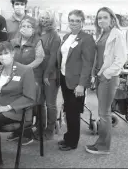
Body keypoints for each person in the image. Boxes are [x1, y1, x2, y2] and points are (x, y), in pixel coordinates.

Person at [85, 7, 127, 155]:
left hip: (109, 78)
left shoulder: (117, 35)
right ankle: (101, 142)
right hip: (100, 77)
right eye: (99, 18)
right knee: (102, 112)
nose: (101, 20)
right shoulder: (103, 34)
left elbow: (121, 59)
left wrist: (106, 74)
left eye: (105, 17)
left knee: (104, 113)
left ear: (112, 19)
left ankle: (103, 147)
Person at [57, 10, 96, 151]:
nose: (73, 23)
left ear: (82, 22)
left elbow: (87, 64)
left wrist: (81, 85)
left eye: (77, 20)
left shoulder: (87, 38)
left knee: (73, 111)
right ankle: (68, 136)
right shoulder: (67, 36)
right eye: (71, 20)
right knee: (68, 109)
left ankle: (72, 142)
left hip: (76, 82)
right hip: (64, 78)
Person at [6, 17, 45, 145]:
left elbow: (39, 58)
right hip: (16, 77)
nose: (25, 28)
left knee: (27, 104)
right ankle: (17, 131)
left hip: (31, 76)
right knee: (15, 101)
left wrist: (25, 69)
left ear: (33, 29)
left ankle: (27, 133)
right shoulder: (14, 41)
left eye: (29, 26)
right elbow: (8, 56)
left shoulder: (37, 41)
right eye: (23, 25)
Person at [38, 10, 61, 140]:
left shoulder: (54, 36)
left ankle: (50, 129)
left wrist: (46, 74)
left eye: (47, 18)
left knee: (50, 104)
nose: (44, 20)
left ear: (52, 19)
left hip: (50, 75)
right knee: (39, 102)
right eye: (42, 18)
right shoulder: (38, 32)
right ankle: (40, 126)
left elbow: (53, 57)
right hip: (37, 73)